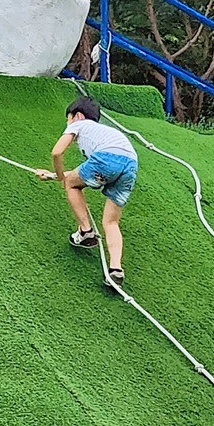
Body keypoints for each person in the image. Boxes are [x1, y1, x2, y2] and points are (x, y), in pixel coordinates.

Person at [35, 95, 137, 287]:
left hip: (106, 159)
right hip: (131, 164)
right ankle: (116, 269)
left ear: (77, 116)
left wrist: (58, 177)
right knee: (111, 221)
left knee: (71, 185)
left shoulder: (78, 125)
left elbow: (56, 152)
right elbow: (80, 173)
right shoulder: (105, 132)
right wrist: (51, 175)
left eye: (68, 119)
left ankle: (86, 231)